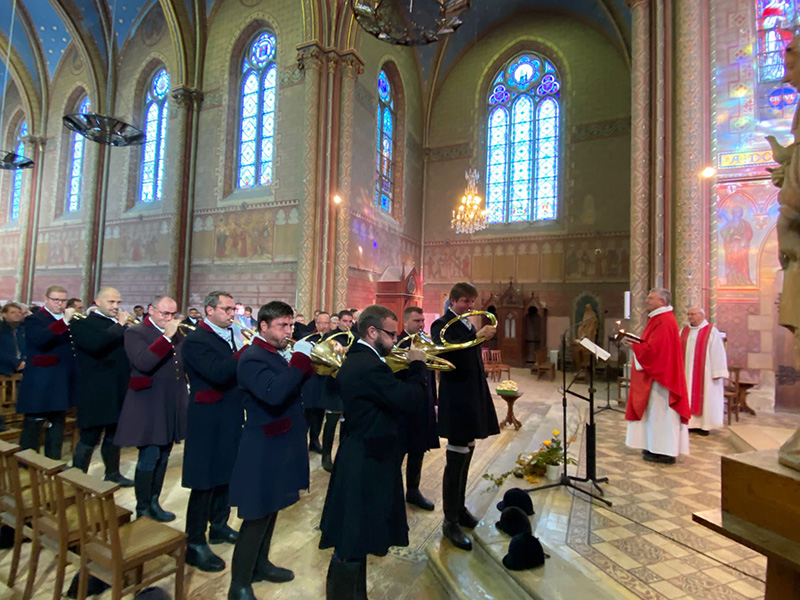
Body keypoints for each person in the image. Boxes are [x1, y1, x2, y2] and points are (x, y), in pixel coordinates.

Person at [319, 305, 428, 598]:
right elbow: (409, 400)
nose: (395, 340)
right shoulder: (369, 365)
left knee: (359, 532)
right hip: (365, 458)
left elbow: (387, 396)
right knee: (352, 533)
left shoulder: (363, 360)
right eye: (391, 334)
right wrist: (418, 367)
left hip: (365, 451)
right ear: (372, 332)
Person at [227, 301, 316, 600]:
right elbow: (274, 393)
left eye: (290, 325)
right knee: (255, 514)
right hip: (262, 445)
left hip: (282, 443)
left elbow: (293, 385)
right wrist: (299, 362)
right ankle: (239, 582)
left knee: (272, 507)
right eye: (282, 326)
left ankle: (260, 565)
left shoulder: (277, 354)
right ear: (263, 326)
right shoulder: (252, 357)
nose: (288, 331)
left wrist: (309, 365)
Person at [431, 282, 498, 551]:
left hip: (472, 395)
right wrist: (479, 337)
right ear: (453, 301)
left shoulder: (468, 324)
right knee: (455, 460)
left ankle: (459, 509)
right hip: (456, 398)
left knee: (468, 453)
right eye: (465, 302)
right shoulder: (441, 325)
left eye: (472, 302)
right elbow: (448, 350)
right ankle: (450, 521)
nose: (470, 307)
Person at [181, 291, 245, 573]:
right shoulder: (196, 339)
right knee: (204, 479)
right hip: (206, 418)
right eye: (227, 309)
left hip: (229, 414)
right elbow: (218, 373)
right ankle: (194, 542)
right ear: (209, 310)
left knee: (227, 474)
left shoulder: (230, 335)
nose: (233, 313)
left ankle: (219, 525)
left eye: (234, 309)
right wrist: (245, 350)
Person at [115, 295, 188, 521]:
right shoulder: (136, 332)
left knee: (164, 455)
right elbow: (144, 362)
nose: (169, 318)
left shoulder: (178, 333)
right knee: (150, 455)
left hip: (169, 401)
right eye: (164, 313)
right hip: (148, 402)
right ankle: (143, 507)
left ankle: (154, 502)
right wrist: (167, 337)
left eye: (172, 314)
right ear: (151, 310)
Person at [70, 287, 134, 486]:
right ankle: (78, 478)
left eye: (118, 302)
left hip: (118, 388)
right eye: (111, 302)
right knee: (90, 437)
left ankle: (112, 473)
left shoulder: (118, 325)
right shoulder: (83, 323)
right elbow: (96, 344)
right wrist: (120, 325)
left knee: (115, 435)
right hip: (96, 390)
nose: (116, 306)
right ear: (97, 301)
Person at [623, 288, 691, 464]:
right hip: (658, 376)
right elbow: (653, 346)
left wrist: (635, 347)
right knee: (655, 414)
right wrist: (638, 343)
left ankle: (665, 451)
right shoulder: (659, 319)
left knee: (662, 415)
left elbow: (656, 352)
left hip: (663, 379)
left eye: (651, 298)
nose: (647, 300)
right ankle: (655, 446)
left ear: (662, 301)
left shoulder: (664, 321)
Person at [17, 286, 77, 459]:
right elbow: (41, 340)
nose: (60, 304)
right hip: (41, 379)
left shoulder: (71, 320)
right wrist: (63, 322)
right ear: (46, 299)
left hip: (62, 378)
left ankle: (53, 459)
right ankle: (26, 459)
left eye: (63, 300)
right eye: (56, 300)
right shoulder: (35, 319)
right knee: (34, 422)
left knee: (58, 421)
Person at [397, 306, 439, 511]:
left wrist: (434, 400)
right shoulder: (398, 343)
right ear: (405, 322)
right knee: (398, 452)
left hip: (424, 403)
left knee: (418, 449)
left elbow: (430, 374)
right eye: (416, 321)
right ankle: (392, 491)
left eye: (422, 321)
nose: (421, 324)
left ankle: (413, 490)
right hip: (404, 406)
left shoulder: (426, 342)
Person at [681, 307, 729, 436]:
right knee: (687, 396)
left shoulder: (711, 332)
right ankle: (689, 423)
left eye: (692, 314)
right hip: (685, 373)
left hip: (706, 375)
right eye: (688, 314)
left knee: (706, 399)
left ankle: (704, 426)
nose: (689, 317)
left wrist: (718, 372)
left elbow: (718, 353)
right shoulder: (684, 331)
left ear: (701, 315)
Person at [317, 310, 354, 471]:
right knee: (331, 423)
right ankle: (326, 456)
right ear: (338, 321)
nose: (347, 324)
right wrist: (340, 352)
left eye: (350, 321)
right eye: (345, 321)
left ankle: (344, 457)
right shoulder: (330, 337)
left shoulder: (355, 337)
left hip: (349, 384)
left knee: (348, 424)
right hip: (333, 384)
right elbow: (324, 357)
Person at [301, 311, 332, 455]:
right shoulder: (308, 338)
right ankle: (301, 442)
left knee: (320, 413)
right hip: (310, 381)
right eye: (320, 323)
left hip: (325, 380)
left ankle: (314, 440)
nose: (323, 326)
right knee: (307, 412)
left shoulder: (333, 340)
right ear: (316, 323)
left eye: (326, 323)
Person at [0, 302, 26, 376]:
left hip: (23, 368)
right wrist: (16, 363)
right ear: (4, 314)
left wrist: (24, 361)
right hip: (4, 368)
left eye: (19, 312)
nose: (17, 314)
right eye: (13, 312)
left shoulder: (24, 330)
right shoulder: (1, 330)